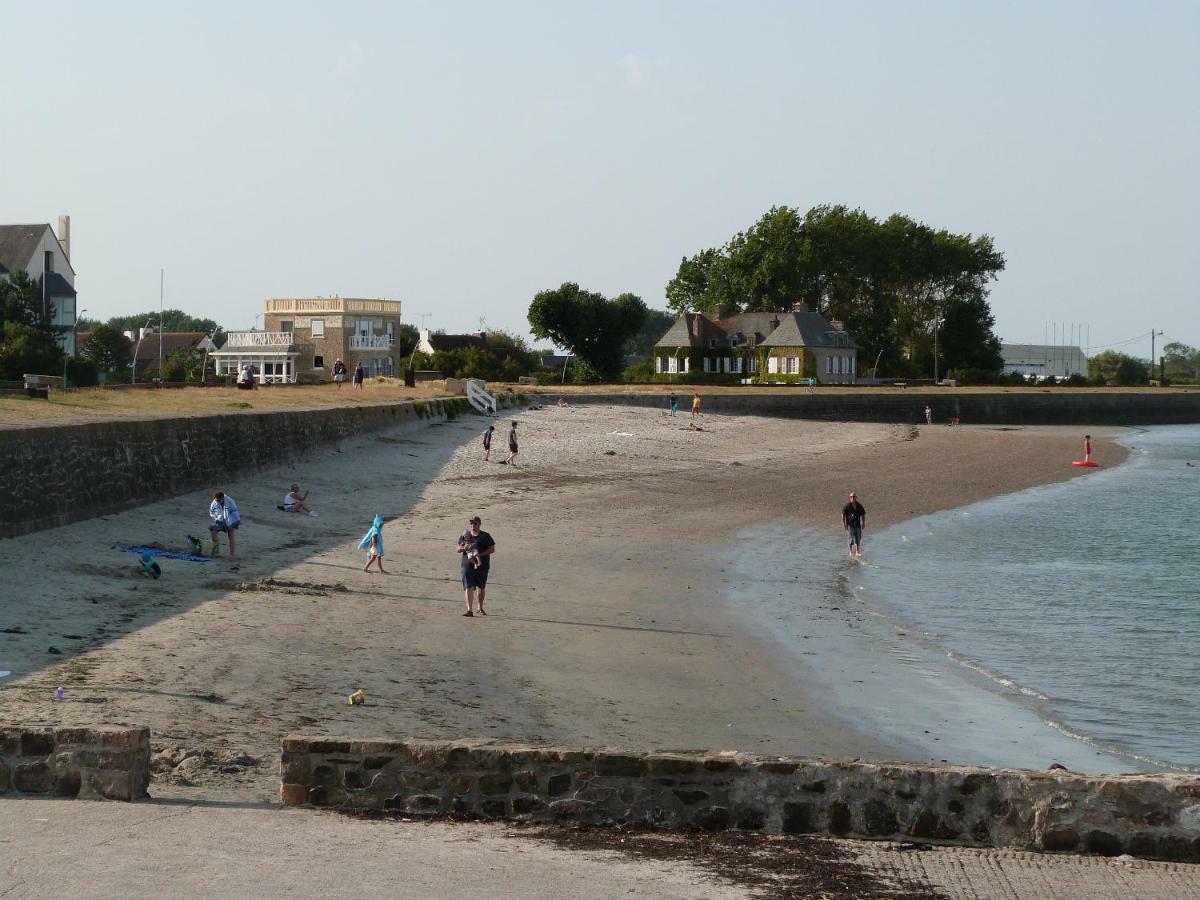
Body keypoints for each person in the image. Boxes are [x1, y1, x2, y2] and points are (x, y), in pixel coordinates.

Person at [456, 515, 495, 617]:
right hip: (466, 565)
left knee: (480, 587)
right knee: (468, 586)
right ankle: (469, 610)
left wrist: (480, 555)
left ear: (479, 524)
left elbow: (492, 549)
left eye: (475, 523)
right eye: (471, 523)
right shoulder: (465, 535)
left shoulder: (485, 536)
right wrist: (464, 547)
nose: (472, 525)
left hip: (482, 566)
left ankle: (480, 606)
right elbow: (457, 549)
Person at [209, 491, 241, 557]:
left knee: (231, 536)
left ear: (222, 498)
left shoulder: (230, 501)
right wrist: (215, 517)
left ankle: (232, 554)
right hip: (220, 521)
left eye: (218, 500)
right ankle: (217, 551)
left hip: (230, 521)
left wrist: (237, 523)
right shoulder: (214, 502)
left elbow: (235, 511)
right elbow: (211, 512)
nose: (217, 501)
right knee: (213, 532)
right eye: (216, 500)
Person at [841, 491, 866, 560]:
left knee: (858, 538)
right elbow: (843, 515)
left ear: (856, 497)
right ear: (850, 498)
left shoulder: (859, 505)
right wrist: (844, 524)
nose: (852, 498)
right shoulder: (847, 506)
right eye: (851, 497)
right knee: (851, 539)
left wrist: (863, 523)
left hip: (857, 525)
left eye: (854, 497)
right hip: (850, 525)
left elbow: (863, 514)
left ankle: (858, 551)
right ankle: (850, 552)